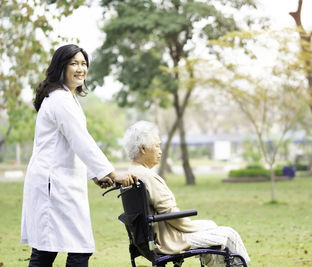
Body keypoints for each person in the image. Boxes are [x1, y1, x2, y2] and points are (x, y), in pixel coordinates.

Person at [20, 44, 136, 267]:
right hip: (52, 185)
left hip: (59, 183)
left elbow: (75, 143)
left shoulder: (66, 98)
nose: (80, 68)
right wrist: (112, 173)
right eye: (74, 63)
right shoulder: (60, 100)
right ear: (60, 67)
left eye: (83, 63)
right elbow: (82, 142)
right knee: (74, 249)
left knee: (47, 250)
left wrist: (96, 174)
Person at [122, 120, 250, 266]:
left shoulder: (132, 173)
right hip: (169, 240)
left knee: (210, 224)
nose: (160, 150)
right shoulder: (148, 177)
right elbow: (170, 213)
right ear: (143, 149)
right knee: (229, 234)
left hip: (152, 239)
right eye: (157, 146)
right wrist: (193, 229)